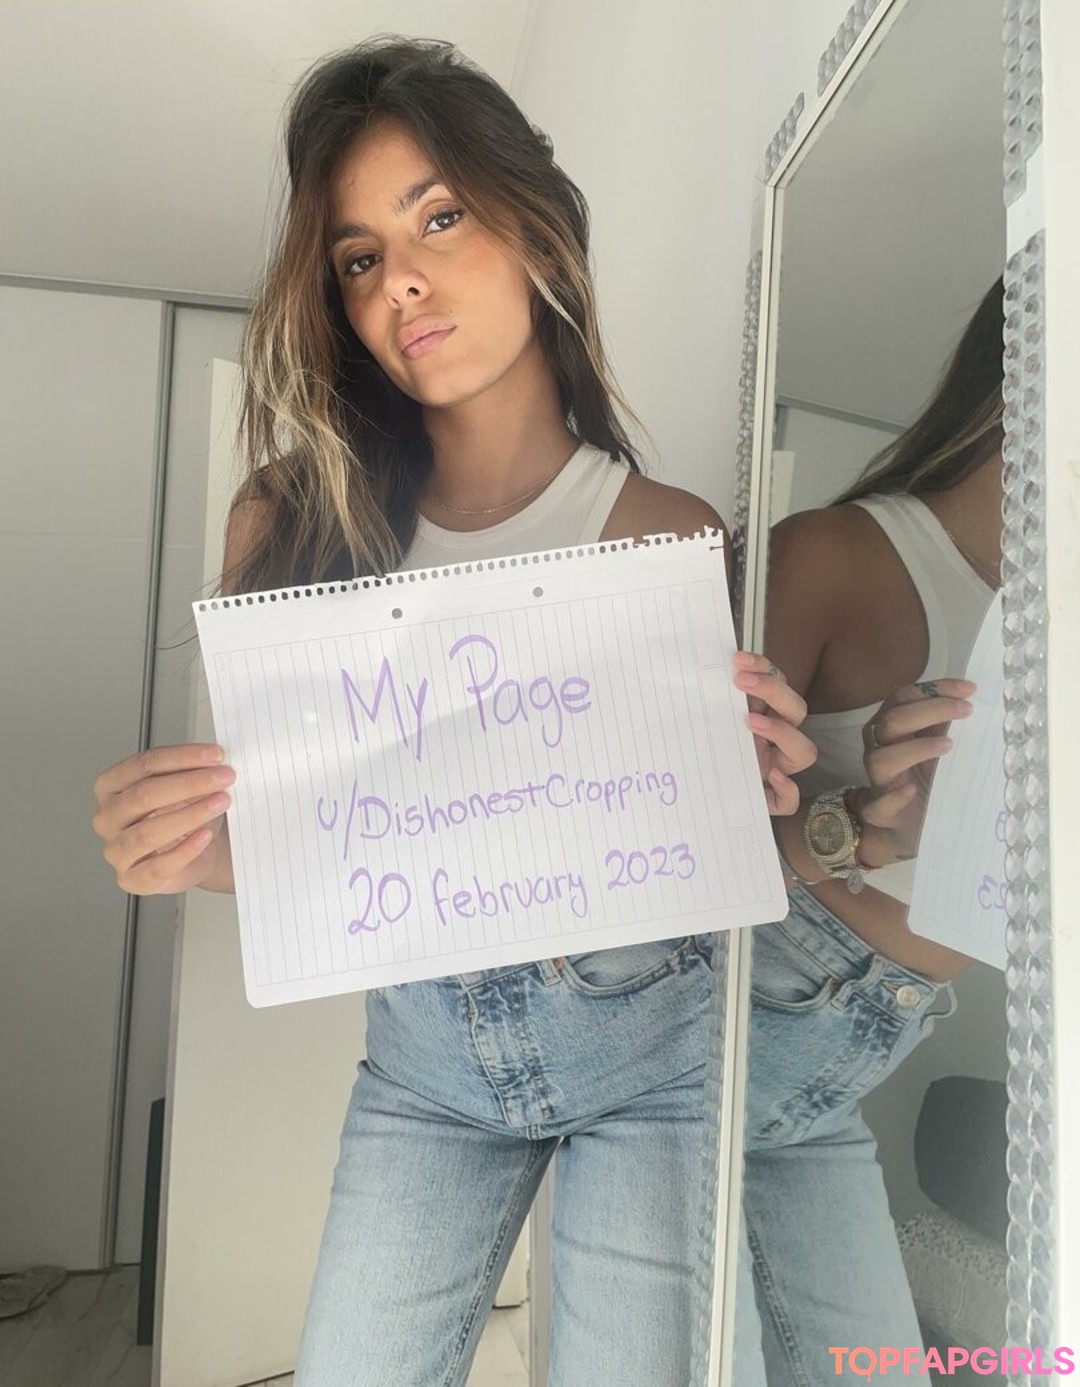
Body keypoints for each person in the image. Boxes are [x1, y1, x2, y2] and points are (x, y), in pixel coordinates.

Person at [90, 39, 815, 1386]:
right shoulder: (293, 518)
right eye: (359, 256)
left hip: (651, 1053)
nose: (400, 282)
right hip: (423, 1062)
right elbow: (305, 848)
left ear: (536, 230)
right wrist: (179, 846)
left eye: (438, 218)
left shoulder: (665, 535)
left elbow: (695, 846)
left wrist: (760, 791)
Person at [737, 279, 1003, 1383]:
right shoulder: (835, 555)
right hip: (752, 1005)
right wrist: (869, 828)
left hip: (866, 1047)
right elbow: (673, 853)